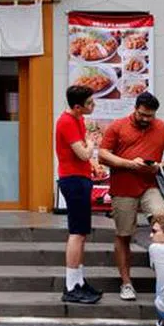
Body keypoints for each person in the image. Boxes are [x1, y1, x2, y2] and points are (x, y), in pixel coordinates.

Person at [97, 92, 164, 301]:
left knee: (163, 221)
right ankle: (126, 282)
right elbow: (102, 154)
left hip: (150, 185)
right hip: (123, 187)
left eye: (150, 116)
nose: (146, 119)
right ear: (135, 109)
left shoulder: (163, 128)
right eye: (142, 114)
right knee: (124, 234)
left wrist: (161, 166)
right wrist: (129, 163)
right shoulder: (118, 126)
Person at [55, 84, 103, 305]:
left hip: (81, 178)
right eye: (90, 103)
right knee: (76, 232)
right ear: (77, 107)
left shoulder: (78, 119)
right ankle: (71, 284)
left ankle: (79, 281)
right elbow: (83, 152)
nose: (93, 106)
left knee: (82, 232)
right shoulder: (66, 122)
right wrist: (93, 144)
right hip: (73, 180)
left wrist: (92, 163)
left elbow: (84, 156)